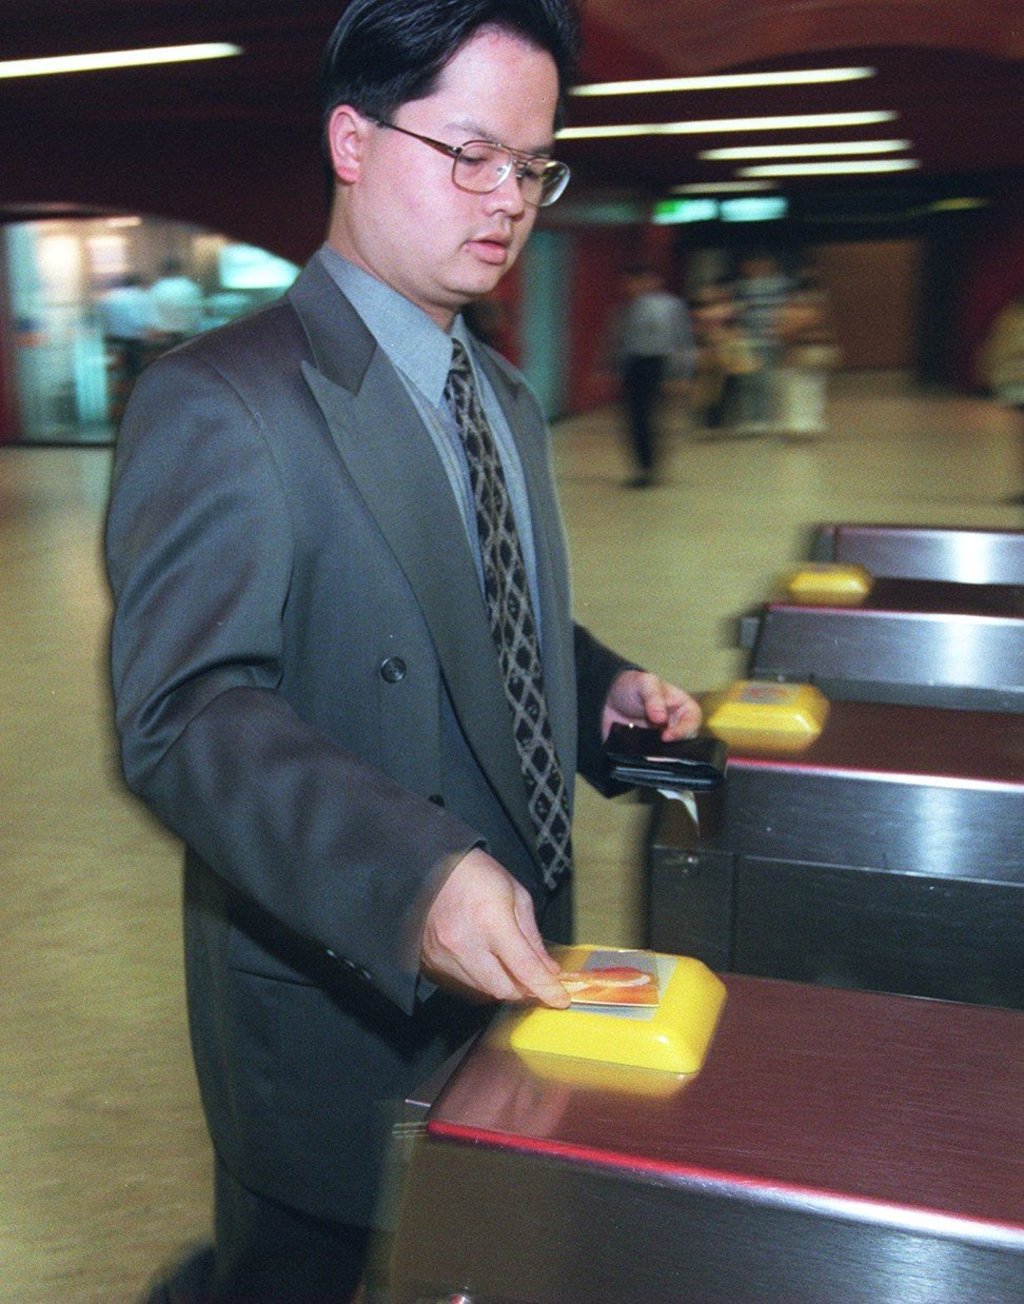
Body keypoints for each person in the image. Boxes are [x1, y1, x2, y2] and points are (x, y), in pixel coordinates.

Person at [104, 2, 701, 1299]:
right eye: (469, 154)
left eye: (535, 167)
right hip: (339, 991)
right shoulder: (222, 401)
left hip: (516, 972)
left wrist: (603, 696)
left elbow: (487, 618)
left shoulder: (503, 396)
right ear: (352, 140)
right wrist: (411, 874)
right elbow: (189, 714)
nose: (509, 201)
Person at [611, 264, 695, 486]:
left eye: (636, 282)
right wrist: (617, 368)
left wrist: (681, 374)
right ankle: (642, 468)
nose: (631, 287)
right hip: (634, 364)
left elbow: (683, 340)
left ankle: (649, 469)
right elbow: (622, 341)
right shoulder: (628, 307)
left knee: (649, 419)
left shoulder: (671, 306)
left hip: (657, 363)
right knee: (635, 419)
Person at [149, 256, 205, 342]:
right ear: (180, 269)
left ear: (163, 270)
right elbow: (199, 311)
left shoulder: (156, 288)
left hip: (163, 335)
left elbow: (151, 314)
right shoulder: (191, 286)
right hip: (189, 333)